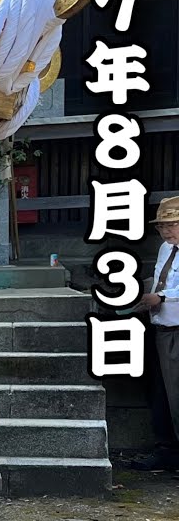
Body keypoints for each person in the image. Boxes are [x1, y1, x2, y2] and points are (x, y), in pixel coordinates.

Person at [138, 196, 179, 471]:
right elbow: (159, 277)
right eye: (162, 226)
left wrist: (162, 297)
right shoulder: (166, 249)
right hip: (161, 325)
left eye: (172, 224)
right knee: (162, 393)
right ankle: (167, 451)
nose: (166, 231)